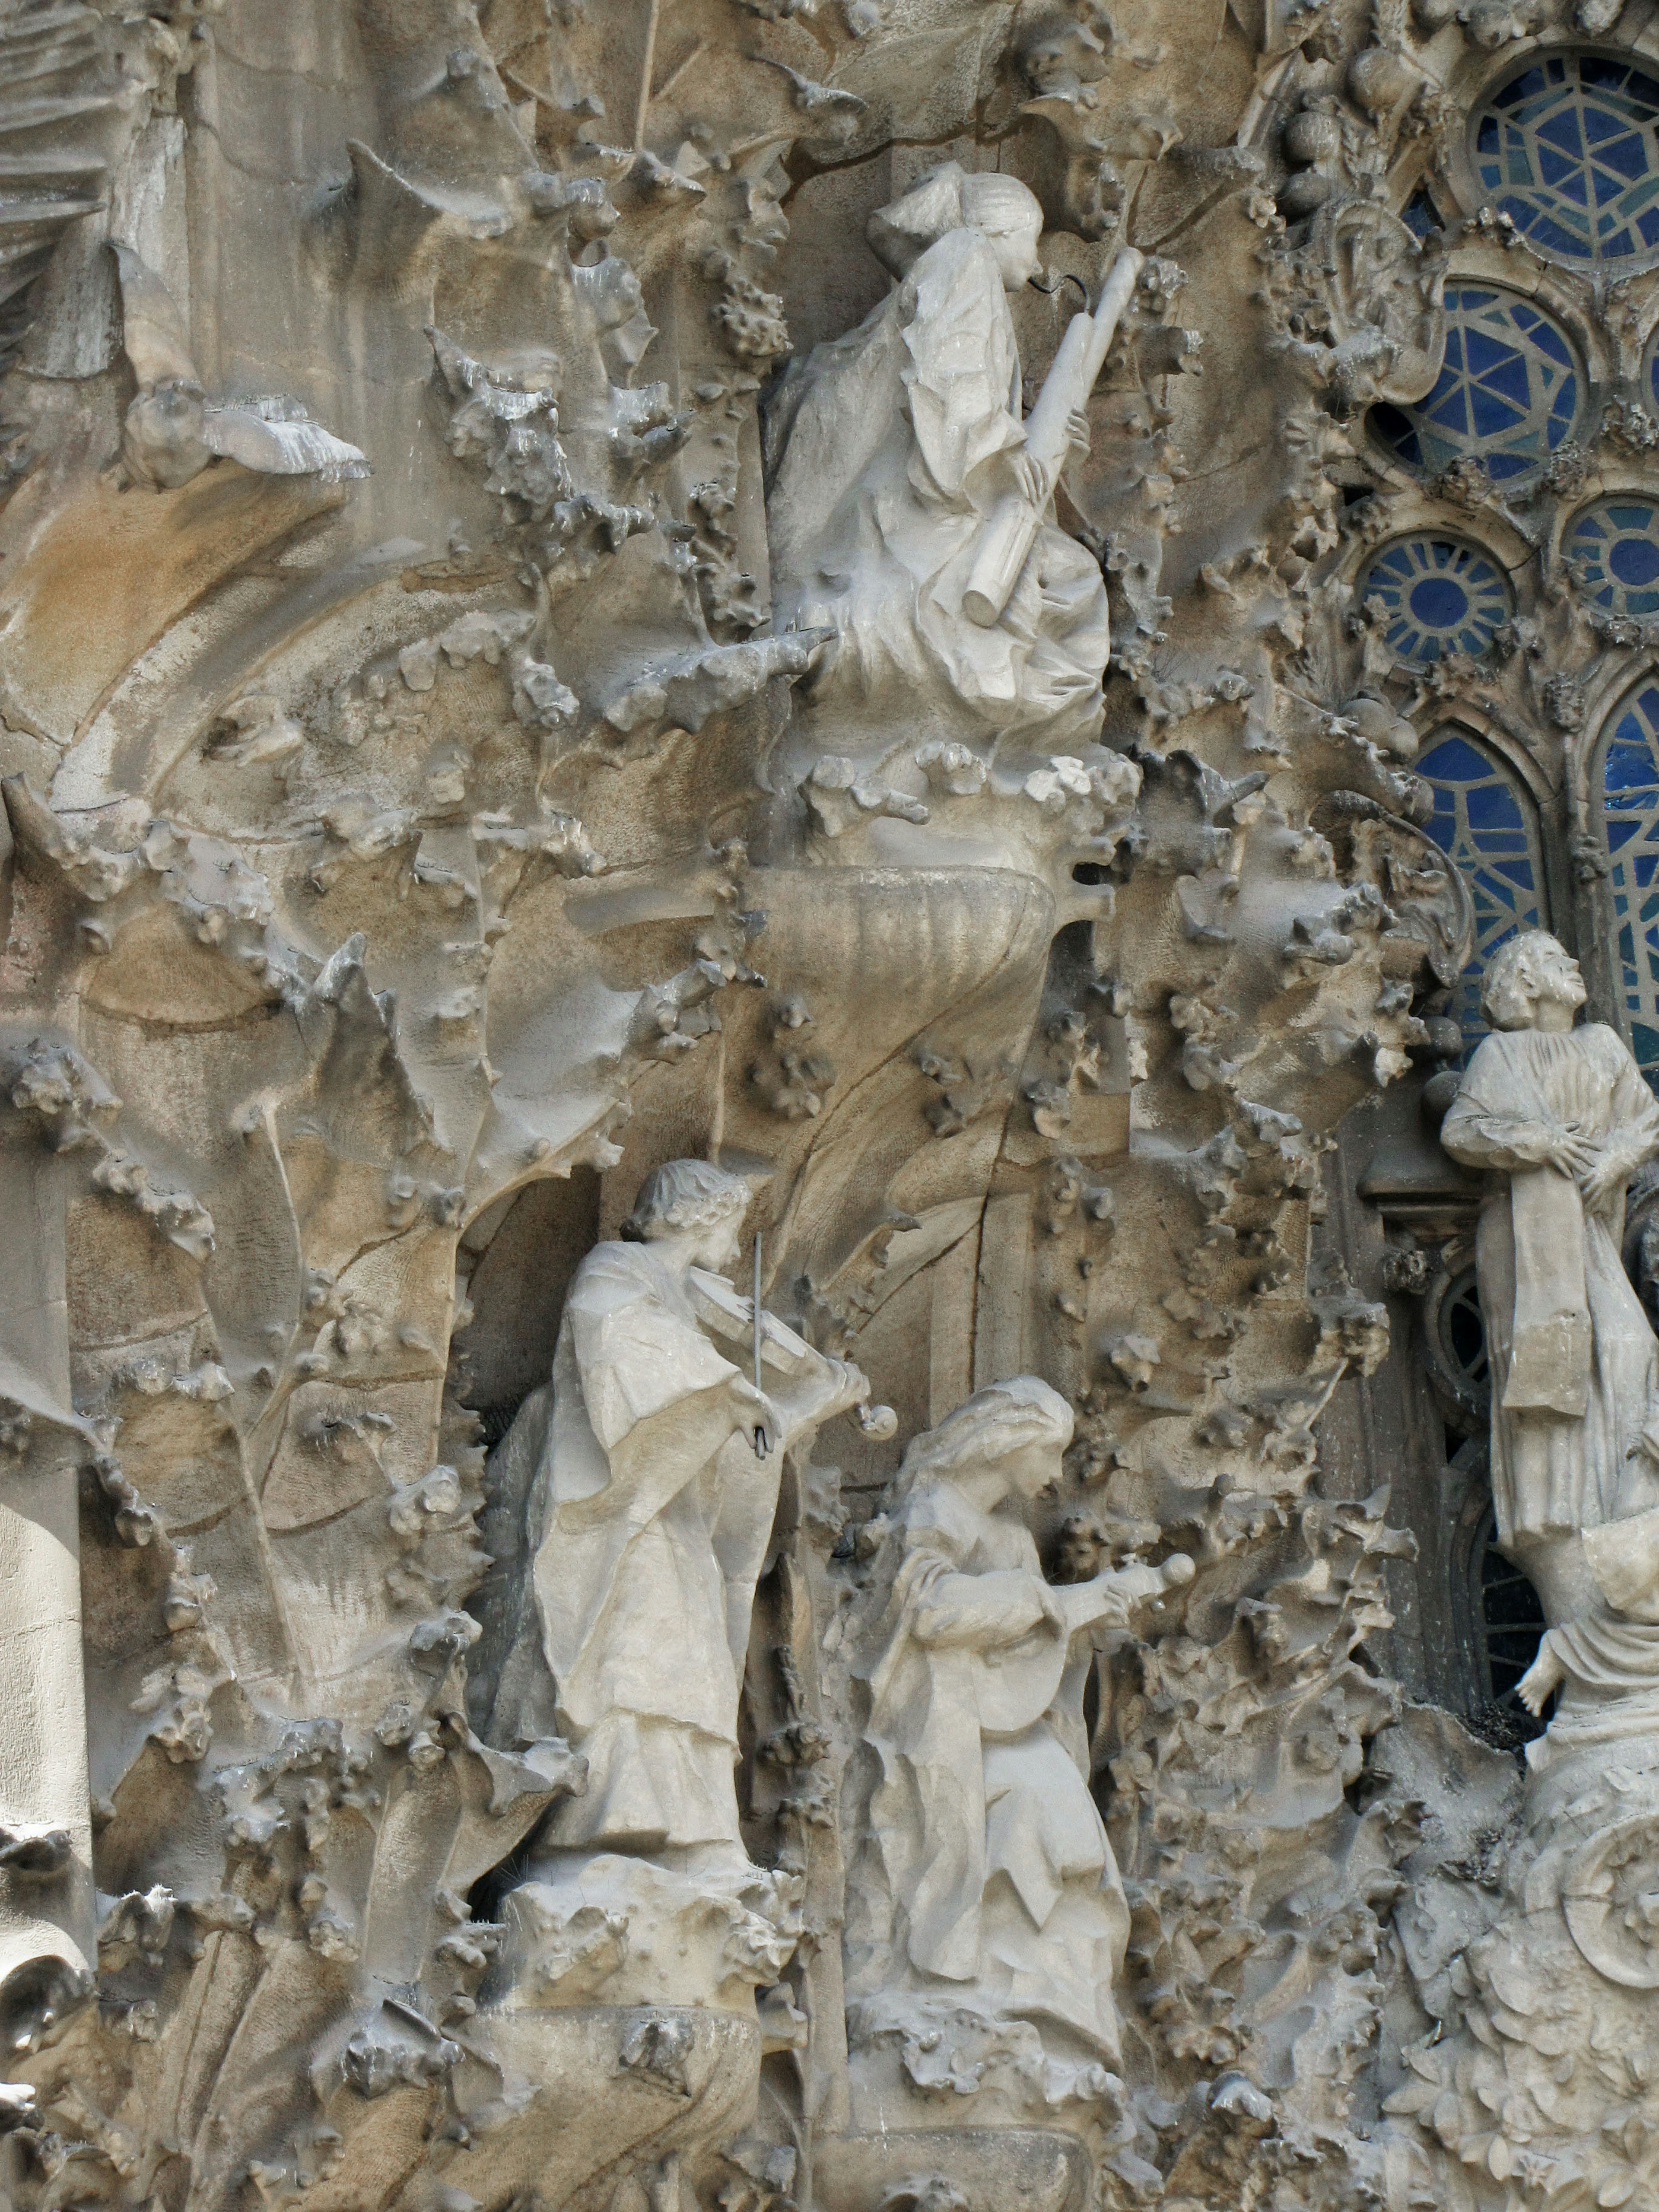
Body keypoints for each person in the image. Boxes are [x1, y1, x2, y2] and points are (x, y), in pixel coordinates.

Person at [496, 1160, 868, 1868]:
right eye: (733, 1222)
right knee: (631, 1650)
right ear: (700, 1217)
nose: (737, 1243)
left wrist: (798, 1405)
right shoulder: (619, 1268)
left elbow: (746, 1446)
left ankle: (697, 1831)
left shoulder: (689, 1299)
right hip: (619, 1506)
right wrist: (728, 1388)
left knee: (691, 1658)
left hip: (676, 1513)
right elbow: (617, 1346)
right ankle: (597, 1823)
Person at [847, 1376, 1192, 2066]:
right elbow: (932, 1613)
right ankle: (962, 1980)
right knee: (1028, 1806)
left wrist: (1086, 1616)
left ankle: (1050, 2003)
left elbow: (1027, 1648)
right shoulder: (932, 1509)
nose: (1051, 1478)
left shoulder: (1009, 1538)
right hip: (931, 1716)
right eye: (1047, 1455)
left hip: (1001, 1721)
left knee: (1062, 1813)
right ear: (1008, 1444)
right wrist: (1051, 1604)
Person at [766, 164, 1110, 763]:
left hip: (941, 492)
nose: (1035, 270)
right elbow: (948, 375)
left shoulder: (964, 265)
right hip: (914, 506)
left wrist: (1050, 443)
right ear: (1001, 232)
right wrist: (1001, 451)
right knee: (1070, 586)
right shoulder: (966, 256)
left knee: (1065, 582)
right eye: (1031, 246)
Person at [1440, 932, 1659, 1619]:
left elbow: (1645, 1119)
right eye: (1558, 960)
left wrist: (1619, 1159)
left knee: (1631, 1343)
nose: (1575, 965)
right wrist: (1535, 1142)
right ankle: (1570, 1507)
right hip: (1530, 1239)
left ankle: (1631, 1491)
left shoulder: (1601, 1045)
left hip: (1592, 1225)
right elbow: (1461, 1131)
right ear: (1527, 981)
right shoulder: (1501, 1053)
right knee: (1558, 1358)